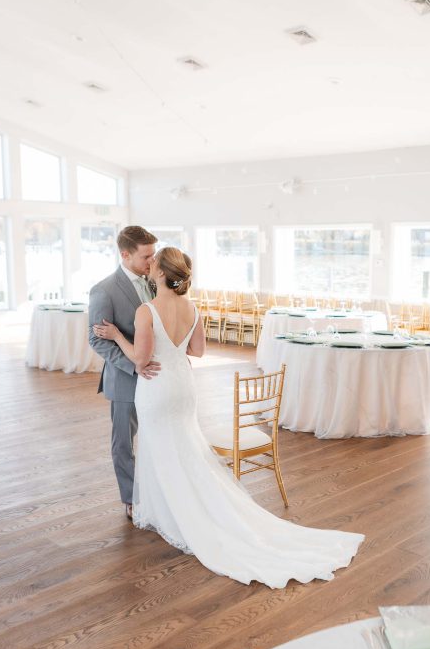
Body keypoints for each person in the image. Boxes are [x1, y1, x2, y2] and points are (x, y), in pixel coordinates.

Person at [93, 248, 363, 588]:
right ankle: (187, 507)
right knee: (185, 447)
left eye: (153, 262)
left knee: (161, 448)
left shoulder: (146, 311)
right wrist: (172, 348)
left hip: (157, 388)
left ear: (160, 274)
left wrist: (117, 336)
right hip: (183, 386)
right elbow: (198, 351)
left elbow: (141, 360)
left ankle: (176, 512)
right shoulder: (191, 307)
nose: (149, 266)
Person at [88, 225, 161, 521]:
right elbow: (96, 339)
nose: (152, 262)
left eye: (154, 255)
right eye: (146, 256)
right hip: (125, 381)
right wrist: (134, 365)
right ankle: (131, 498)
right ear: (125, 254)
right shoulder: (103, 290)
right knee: (124, 443)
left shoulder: (156, 282)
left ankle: (157, 490)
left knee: (156, 436)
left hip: (158, 379)